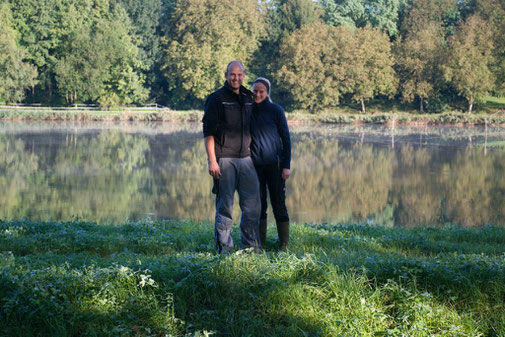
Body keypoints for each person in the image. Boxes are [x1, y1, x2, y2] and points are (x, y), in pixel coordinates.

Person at [202, 61, 261, 254]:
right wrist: (212, 160)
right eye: (232, 74)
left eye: (239, 74)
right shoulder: (216, 99)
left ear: (244, 75)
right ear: (226, 75)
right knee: (225, 207)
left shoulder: (248, 97)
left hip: (246, 159)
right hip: (224, 160)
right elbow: (208, 133)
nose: (235, 78)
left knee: (252, 207)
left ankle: (250, 247)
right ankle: (224, 250)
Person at [250, 77, 291, 251]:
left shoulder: (276, 110)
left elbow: (286, 139)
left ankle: (283, 244)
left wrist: (286, 165)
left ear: (267, 93)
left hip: (275, 166)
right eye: (255, 91)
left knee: (278, 203)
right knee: (259, 205)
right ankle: (260, 242)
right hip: (254, 167)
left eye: (261, 91)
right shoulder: (247, 110)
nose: (258, 94)